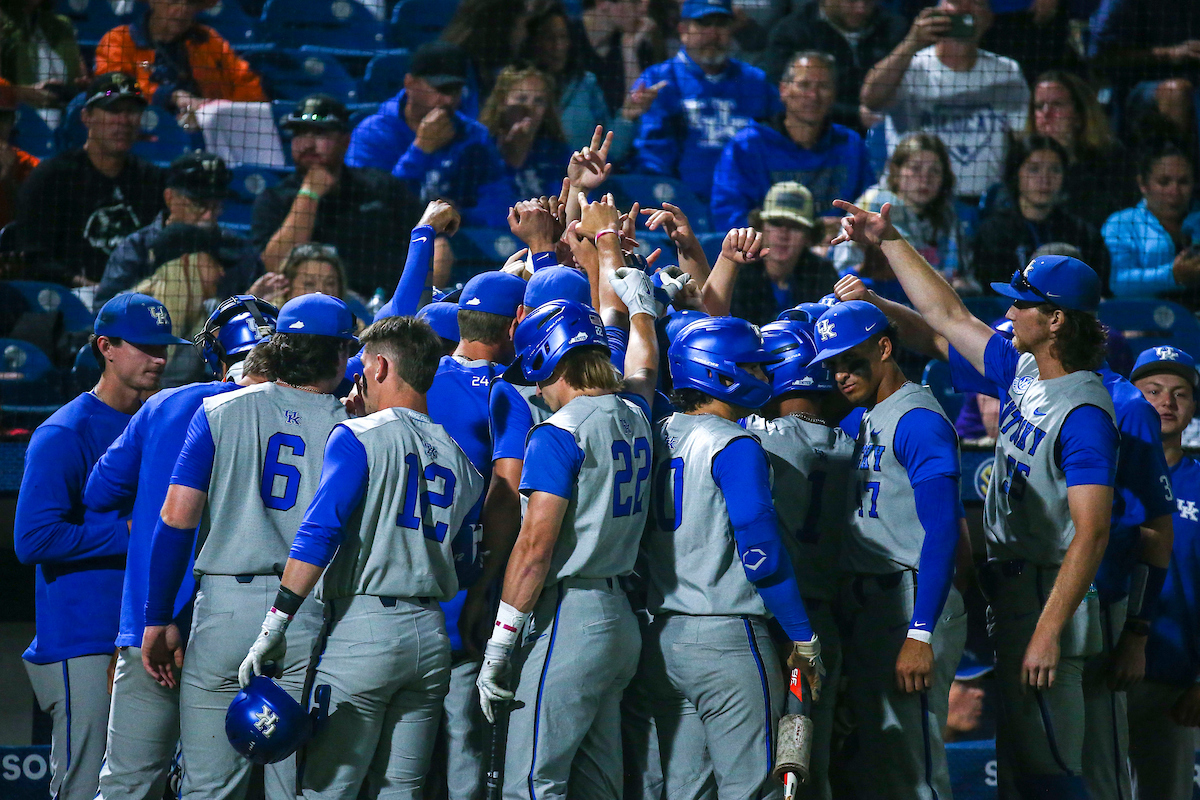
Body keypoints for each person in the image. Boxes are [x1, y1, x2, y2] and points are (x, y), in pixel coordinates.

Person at [833, 199, 1119, 798]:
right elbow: (943, 314)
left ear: (1057, 319)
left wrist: (1048, 630)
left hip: (1049, 596)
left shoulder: (1085, 410)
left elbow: (1092, 532)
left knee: (1053, 771)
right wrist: (888, 242)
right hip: (1015, 589)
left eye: (1021, 302)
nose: (1009, 310)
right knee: (1022, 772)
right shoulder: (1023, 370)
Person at [238, 315, 483, 799]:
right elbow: (465, 558)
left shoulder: (358, 437)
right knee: (401, 791)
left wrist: (274, 625)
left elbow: (319, 532)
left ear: (382, 367)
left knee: (328, 789)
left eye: (364, 367)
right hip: (431, 636)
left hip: (365, 630)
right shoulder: (461, 460)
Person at [475, 198, 662, 799]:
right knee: (599, 783)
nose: (542, 389)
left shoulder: (560, 431)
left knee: (534, 783)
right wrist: (635, 303)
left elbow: (534, 546)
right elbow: (643, 365)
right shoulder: (634, 412)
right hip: (621, 622)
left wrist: (503, 639)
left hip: (570, 617)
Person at [140, 294, 355, 800]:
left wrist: (156, 616)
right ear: (341, 356)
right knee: (294, 790)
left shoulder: (217, 410)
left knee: (207, 790)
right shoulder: (353, 427)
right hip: (304, 612)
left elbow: (175, 520)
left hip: (223, 612)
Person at [84, 296, 276, 800]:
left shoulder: (167, 405)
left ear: (218, 353)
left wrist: (141, 509)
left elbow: (99, 492)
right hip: (243, 625)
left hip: (151, 624)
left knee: (127, 781)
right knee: (215, 787)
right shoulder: (298, 415)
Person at [14, 293, 190, 800]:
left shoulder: (163, 419)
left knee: (143, 785)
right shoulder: (66, 431)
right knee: (84, 784)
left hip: (141, 634)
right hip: (82, 638)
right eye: (144, 347)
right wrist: (129, 534)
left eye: (164, 348)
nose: (159, 358)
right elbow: (33, 538)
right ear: (106, 347)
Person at [640, 313, 824, 799]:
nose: (765, 377)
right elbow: (760, 553)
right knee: (753, 791)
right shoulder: (734, 442)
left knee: (685, 792)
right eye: (755, 367)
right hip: (728, 639)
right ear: (721, 372)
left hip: (662, 638)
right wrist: (802, 635)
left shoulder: (658, 434)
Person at [811, 299, 967, 799]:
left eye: (850, 359)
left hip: (910, 600)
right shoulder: (866, 417)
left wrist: (920, 634)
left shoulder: (918, 419)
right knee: (878, 764)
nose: (840, 373)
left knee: (913, 769)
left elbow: (944, 530)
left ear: (883, 348)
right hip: (872, 603)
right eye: (831, 364)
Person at [742, 320, 856, 800]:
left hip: (772, 622)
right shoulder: (854, 446)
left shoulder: (757, 438)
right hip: (828, 622)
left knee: (766, 763)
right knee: (814, 763)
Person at [424, 267, 525, 800]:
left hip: (385, 579)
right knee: (463, 741)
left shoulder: (408, 374)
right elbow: (505, 496)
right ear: (517, 323)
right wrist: (485, 586)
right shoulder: (505, 393)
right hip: (462, 586)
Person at [253, 94, 422, 297]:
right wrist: (309, 195)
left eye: (319, 133)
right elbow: (275, 265)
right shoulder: (274, 199)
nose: (308, 144)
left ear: (345, 140)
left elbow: (430, 240)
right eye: (300, 133)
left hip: (381, 309)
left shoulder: (381, 187)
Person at [860, 0, 1029, 200]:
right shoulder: (908, 66)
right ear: (938, 11)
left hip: (981, 208)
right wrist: (912, 41)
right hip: (913, 203)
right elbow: (870, 99)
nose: (965, 8)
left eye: (976, 2)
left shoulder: (1007, 71)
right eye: (956, 1)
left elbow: (1024, 141)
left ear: (989, 18)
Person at [13, 72, 164, 288]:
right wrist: (85, 285)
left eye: (131, 111)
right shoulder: (51, 179)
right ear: (86, 118)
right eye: (113, 110)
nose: (123, 121)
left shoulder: (151, 180)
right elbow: (33, 257)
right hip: (73, 299)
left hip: (140, 297)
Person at [1129, 345, 1200, 800]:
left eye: (1180, 393)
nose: (1166, 403)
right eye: (1152, 391)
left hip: (1174, 678)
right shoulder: (1100, 472)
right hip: (1098, 669)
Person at [632, 0, 782, 204]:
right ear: (683, 30)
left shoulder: (755, 81)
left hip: (747, 205)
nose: (713, 34)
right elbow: (653, 156)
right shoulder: (658, 80)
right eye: (703, 24)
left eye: (721, 24)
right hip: (680, 204)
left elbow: (779, 143)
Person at [711, 52, 873, 231]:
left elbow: (868, 208)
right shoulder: (746, 147)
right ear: (783, 90)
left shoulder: (850, 145)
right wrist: (810, 234)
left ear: (834, 94)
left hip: (837, 250)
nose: (813, 95)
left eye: (824, 86)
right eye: (804, 85)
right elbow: (730, 217)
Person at [345, 42, 505, 218]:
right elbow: (369, 205)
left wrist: (462, 216)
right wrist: (420, 150)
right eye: (440, 89)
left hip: (458, 237)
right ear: (410, 83)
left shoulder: (474, 135)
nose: (448, 100)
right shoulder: (372, 134)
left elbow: (497, 200)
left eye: (455, 90)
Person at [98, 151, 264, 307]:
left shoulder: (237, 248)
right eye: (199, 205)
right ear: (169, 197)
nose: (208, 216)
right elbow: (104, 313)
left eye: (216, 206)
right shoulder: (136, 248)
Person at [832, 133, 975, 294]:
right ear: (896, 171)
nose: (925, 179)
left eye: (934, 171)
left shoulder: (947, 214)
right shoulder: (880, 202)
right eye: (915, 169)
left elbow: (964, 276)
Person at [517, 0, 657, 158]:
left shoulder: (586, 83)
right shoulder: (516, 86)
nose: (558, 46)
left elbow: (610, 151)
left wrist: (626, 116)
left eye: (563, 38)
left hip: (580, 178)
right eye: (550, 38)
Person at [974, 136, 1109, 290]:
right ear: (1016, 174)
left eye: (1055, 170)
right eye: (1034, 169)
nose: (1045, 179)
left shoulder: (1083, 234)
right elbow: (994, 290)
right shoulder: (994, 233)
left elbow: (1099, 290)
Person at [761, 0, 908, 132]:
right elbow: (780, 94)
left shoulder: (894, 28)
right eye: (851, 2)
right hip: (821, 133)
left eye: (868, 2)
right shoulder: (792, 32)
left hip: (885, 132)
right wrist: (855, 115)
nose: (860, 9)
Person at [93, 0, 265, 112]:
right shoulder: (118, 40)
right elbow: (110, 90)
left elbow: (248, 85)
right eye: (173, 2)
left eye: (190, 3)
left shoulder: (209, 40)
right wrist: (169, 96)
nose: (182, 10)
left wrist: (224, 111)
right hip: (144, 134)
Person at [1025, 71, 1138, 230]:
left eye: (1057, 104)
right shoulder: (1021, 161)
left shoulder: (1110, 158)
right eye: (1039, 106)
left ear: (1079, 115)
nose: (1046, 113)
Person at [726, 182, 839, 325]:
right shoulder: (739, 274)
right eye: (776, 223)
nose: (783, 235)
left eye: (795, 227)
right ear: (761, 227)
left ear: (809, 236)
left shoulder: (822, 272)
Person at [1101, 140, 1200, 301]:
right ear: (1143, 184)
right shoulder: (1122, 223)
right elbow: (1116, 282)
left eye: (1183, 182)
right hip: (1138, 321)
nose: (1174, 191)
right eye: (1164, 182)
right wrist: (1172, 275)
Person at [473, 65, 574, 223]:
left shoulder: (557, 153)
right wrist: (513, 160)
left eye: (539, 101)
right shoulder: (479, 147)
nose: (530, 108)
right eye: (521, 99)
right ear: (502, 102)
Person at [0, 0, 86, 127]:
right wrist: (20, 93)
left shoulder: (62, 26)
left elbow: (87, 82)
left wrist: (84, 86)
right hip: (16, 122)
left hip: (65, 118)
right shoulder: (4, 28)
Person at [0, 100, 39, 227]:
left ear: (12, 122)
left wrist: (8, 176)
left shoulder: (28, 165)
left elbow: (31, 218)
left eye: (3, 118)